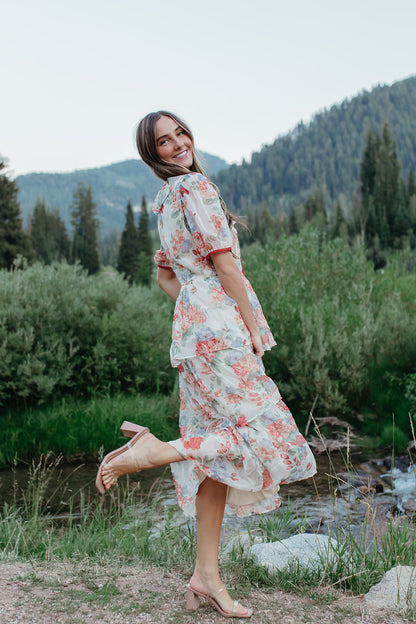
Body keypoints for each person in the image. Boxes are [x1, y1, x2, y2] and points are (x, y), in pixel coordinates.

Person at [95, 111, 317, 619]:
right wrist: (255, 327)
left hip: (193, 331)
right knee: (262, 431)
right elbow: (225, 264)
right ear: (153, 156)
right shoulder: (194, 188)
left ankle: (206, 576)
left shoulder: (166, 202)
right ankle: (154, 451)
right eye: (163, 142)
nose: (177, 145)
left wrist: (183, 289)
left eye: (180, 134)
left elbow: (175, 284)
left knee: (218, 455)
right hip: (220, 331)